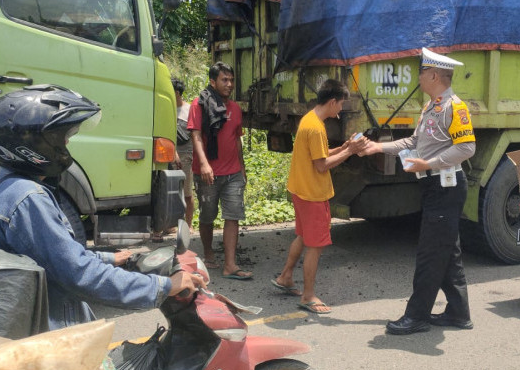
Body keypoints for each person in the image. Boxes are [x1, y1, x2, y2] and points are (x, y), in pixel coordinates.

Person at [0, 85, 205, 331]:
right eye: (62, 137)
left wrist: (109, 258)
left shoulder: (4, 187)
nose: (67, 143)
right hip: (53, 342)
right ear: (34, 144)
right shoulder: (28, 199)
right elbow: (80, 275)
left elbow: (50, 254)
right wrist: (165, 286)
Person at [360, 48, 476, 335]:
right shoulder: (431, 106)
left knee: (430, 253)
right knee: (447, 250)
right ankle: (459, 313)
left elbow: (466, 148)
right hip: (433, 186)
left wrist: (430, 163)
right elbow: (414, 141)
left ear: (434, 75)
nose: (419, 77)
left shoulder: (455, 107)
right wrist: (379, 147)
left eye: (422, 72)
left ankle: (417, 316)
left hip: (445, 187)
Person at [272, 79, 366, 314]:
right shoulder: (316, 127)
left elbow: (320, 154)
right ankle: (308, 296)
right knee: (316, 246)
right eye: (341, 104)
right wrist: (351, 152)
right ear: (332, 101)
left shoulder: (310, 119)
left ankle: (285, 277)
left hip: (301, 190)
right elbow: (322, 165)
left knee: (304, 237)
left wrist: (345, 147)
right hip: (313, 194)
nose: (341, 109)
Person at [187, 62, 251, 279]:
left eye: (231, 80)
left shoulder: (235, 108)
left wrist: (242, 168)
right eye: (224, 80)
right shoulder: (199, 105)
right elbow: (195, 136)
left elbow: (237, 140)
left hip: (233, 173)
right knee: (207, 216)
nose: (229, 84)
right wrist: (204, 164)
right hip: (208, 174)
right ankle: (207, 251)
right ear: (213, 82)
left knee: (233, 216)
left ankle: (230, 265)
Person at [172, 77, 195, 232]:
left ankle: (189, 225)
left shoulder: (189, 109)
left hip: (187, 154)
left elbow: (195, 134)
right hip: (170, 154)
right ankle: (172, 224)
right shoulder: (167, 109)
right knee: (172, 191)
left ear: (177, 92)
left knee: (187, 192)